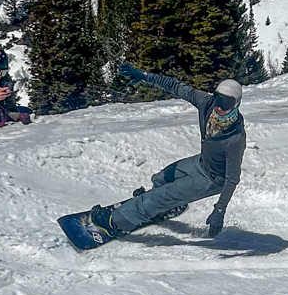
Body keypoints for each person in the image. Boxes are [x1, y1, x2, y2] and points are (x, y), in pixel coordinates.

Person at [88, 66, 246, 240]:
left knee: (160, 196)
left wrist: (219, 210)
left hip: (212, 180)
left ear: (236, 104)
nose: (219, 107)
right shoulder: (207, 104)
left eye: (226, 103)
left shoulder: (235, 139)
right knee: (162, 178)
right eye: (218, 99)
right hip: (202, 163)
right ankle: (158, 207)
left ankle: (114, 222)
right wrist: (146, 76)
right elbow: (175, 86)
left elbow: (232, 179)